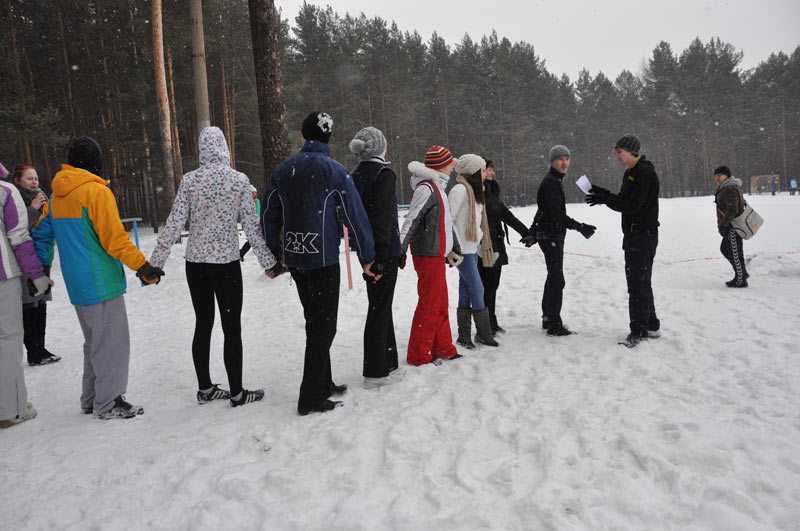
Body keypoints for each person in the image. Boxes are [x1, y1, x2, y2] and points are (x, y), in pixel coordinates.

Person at [32, 136, 163, 419]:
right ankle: (108, 402)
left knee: (95, 341)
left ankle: (92, 398)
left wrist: (41, 267)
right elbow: (115, 239)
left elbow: (41, 234)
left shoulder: (56, 196)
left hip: (77, 283)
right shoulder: (95, 192)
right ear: (95, 162)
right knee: (112, 341)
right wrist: (143, 267)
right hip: (100, 280)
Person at [150, 127, 279, 407]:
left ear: (201, 150)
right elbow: (252, 228)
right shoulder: (239, 181)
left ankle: (205, 389)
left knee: (203, 324)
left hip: (196, 266)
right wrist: (269, 262)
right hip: (226, 265)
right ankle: (236, 393)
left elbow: (174, 223)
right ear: (224, 148)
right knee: (231, 327)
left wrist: (155, 263)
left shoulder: (190, 181)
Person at [263, 111, 377, 416]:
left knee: (315, 322)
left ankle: (323, 382)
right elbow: (355, 217)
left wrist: (273, 254)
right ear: (328, 138)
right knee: (323, 328)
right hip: (323, 260)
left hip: (297, 258)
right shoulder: (335, 171)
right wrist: (368, 257)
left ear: (303, 137)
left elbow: (269, 215)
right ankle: (310, 397)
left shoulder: (284, 170)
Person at [585, 134, 660, 347]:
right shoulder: (632, 173)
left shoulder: (643, 173)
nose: (617, 156)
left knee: (637, 284)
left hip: (642, 236)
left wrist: (605, 200)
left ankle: (639, 330)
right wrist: (603, 194)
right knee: (642, 282)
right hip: (636, 235)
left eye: (620, 152)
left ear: (631, 151)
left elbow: (633, 206)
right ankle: (651, 324)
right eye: (616, 152)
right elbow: (624, 200)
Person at [399, 145, 463, 366]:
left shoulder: (439, 188)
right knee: (429, 304)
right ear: (440, 166)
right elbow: (412, 220)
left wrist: (454, 246)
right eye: (449, 164)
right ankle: (419, 354)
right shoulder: (426, 189)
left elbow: (446, 223)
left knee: (441, 303)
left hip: (437, 254)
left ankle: (443, 347)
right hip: (427, 254)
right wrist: (400, 249)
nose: (452, 168)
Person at [349, 127, 402, 387]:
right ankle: (375, 371)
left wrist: (366, 253)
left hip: (367, 249)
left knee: (381, 304)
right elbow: (382, 218)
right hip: (381, 251)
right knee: (379, 308)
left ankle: (388, 360)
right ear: (379, 148)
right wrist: (381, 256)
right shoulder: (383, 174)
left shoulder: (356, 174)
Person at [529, 146, 596, 336]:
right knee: (557, 279)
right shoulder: (551, 182)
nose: (564, 162)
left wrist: (534, 230)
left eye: (567, 158)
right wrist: (579, 226)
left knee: (553, 276)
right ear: (552, 161)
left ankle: (548, 318)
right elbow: (555, 213)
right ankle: (554, 324)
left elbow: (543, 209)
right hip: (551, 236)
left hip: (551, 235)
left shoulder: (555, 180)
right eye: (560, 159)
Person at [1, 180, 52, 428]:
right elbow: (19, 237)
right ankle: (10, 409)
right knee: (8, 339)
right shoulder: (5, 190)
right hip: (3, 276)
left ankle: (12, 401)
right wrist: (37, 275)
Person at [11, 165, 61, 365]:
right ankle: (33, 351)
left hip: (43, 256)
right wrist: (32, 209)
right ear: (17, 180)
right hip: (26, 260)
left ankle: (41, 347)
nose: (34, 182)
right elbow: (17, 228)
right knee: (30, 304)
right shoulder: (14, 200)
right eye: (28, 178)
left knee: (41, 303)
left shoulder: (43, 198)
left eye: (36, 178)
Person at [449, 154, 498, 349]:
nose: (485, 173)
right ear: (472, 172)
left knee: (466, 289)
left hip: (471, 248)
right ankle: (484, 334)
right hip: (462, 250)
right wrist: (453, 248)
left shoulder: (475, 191)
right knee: (477, 289)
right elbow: (448, 221)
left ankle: (464, 336)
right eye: (482, 170)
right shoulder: (460, 190)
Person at [478, 158, 530, 336]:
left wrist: (526, 232)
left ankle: (491, 321)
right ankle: (484, 326)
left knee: (493, 286)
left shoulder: (491, 191)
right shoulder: (477, 193)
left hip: (496, 244)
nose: (492, 173)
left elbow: (506, 215)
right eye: (488, 170)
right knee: (486, 287)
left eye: (492, 169)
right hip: (484, 247)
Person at [713, 166, 748, 288]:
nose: (717, 178)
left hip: (733, 226)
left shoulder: (729, 189)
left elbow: (733, 208)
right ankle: (742, 273)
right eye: (716, 175)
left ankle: (741, 279)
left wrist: (725, 224)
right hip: (731, 225)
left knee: (735, 253)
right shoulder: (726, 187)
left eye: (720, 175)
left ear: (727, 176)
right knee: (726, 249)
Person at [239, 185, 260, 260]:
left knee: (253, 240)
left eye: (255, 193)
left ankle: (241, 253)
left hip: (256, 222)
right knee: (252, 240)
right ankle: (240, 253)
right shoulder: (245, 201)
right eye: (252, 192)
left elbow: (258, 211)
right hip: (248, 223)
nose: (254, 194)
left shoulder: (257, 201)